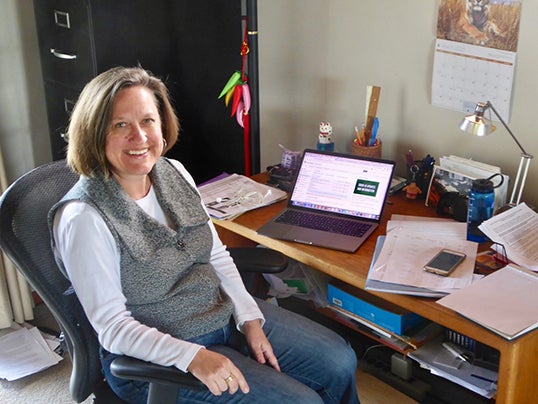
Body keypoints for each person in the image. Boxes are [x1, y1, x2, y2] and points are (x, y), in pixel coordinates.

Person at [49, 66, 360, 403]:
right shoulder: (84, 217)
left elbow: (215, 255)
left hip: (218, 312)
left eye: (148, 121)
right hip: (157, 357)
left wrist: (249, 318)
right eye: (120, 124)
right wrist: (192, 357)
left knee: (339, 361)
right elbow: (112, 329)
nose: (139, 137)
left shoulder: (173, 173)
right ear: (94, 133)